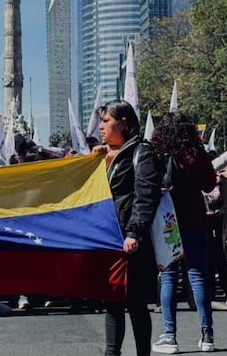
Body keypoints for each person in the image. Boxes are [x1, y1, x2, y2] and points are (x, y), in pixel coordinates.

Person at [91, 100, 162, 356]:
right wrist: (97, 163)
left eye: (106, 121)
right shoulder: (104, 155)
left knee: (134, 302)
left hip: (131, 241)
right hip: (109, 238)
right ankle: (112, 353)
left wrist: (134, 232)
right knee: (112, 301)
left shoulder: (142, 152)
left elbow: (146, 196)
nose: (101, 127)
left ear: (123, 124)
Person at [150, 112, 217, 353]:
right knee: (198, 276)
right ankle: (207, 336)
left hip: (168, 222)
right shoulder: (195, 154)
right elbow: (209, 185)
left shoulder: (157, 154)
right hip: (196, 219)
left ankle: (170, 337)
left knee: (168, 277)